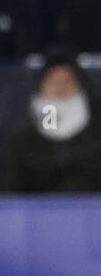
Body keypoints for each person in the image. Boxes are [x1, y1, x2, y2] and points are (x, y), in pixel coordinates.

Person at [6, 52, 101, 193]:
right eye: (53, 82)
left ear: (80, 85)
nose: (60, 89)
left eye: (67, 81)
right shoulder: (24, 139)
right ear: (41, 86)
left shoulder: (97, 133)